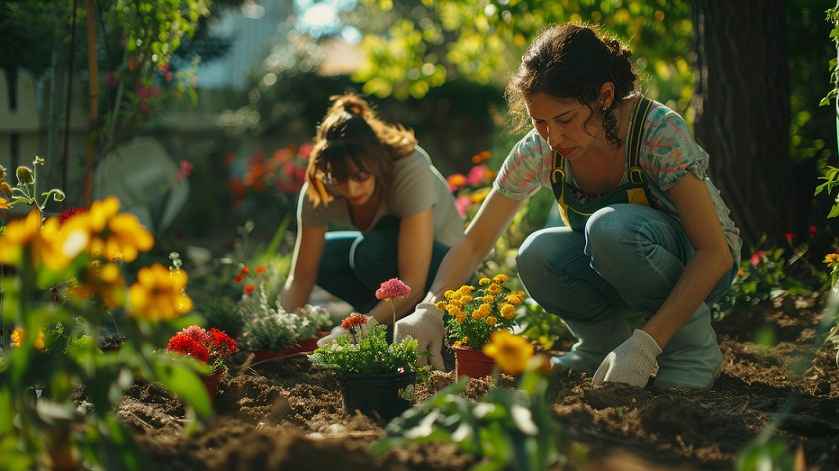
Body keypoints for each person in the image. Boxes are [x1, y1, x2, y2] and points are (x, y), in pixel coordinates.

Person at [394, 23, 741, 390]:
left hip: (699, 263)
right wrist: (430, 309)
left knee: (610, 229)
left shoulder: (656, 132)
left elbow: (714, 252)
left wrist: (646, 344)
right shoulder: (540, 150)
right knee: (536, 253)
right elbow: (475, 242)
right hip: (623, 260)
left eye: (565, 119)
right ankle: (600, 345)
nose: (553, 138)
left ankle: (691, 351)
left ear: (604, 96)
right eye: (539, 122)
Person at [280, 93, 465, 336]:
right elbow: (301, 278)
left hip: (448, 274)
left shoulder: (409, 168)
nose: (351, 189)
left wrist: (354, 332)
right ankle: (381, 320)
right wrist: (281, 326)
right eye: (339, 179)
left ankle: (387, 324)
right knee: (322, 256)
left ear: (376, 162)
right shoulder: (321, 187)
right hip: (393, 270)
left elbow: (413, 283)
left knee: (370, 252)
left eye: (360, 176)